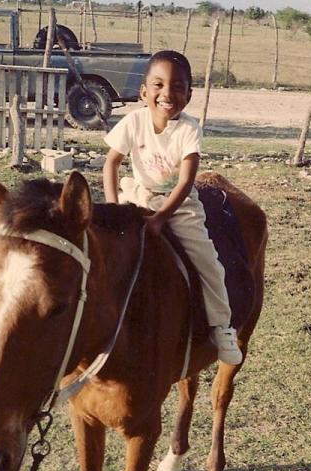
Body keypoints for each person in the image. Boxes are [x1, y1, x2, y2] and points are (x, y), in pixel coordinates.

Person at [102, 50, 242, 365]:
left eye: (178, 87)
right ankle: (100, 313)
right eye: (159, 85)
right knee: (104, 247)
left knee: (207, 260)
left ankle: (222, 326)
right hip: (137, 195)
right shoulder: (133, 121)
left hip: (178, 204)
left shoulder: (189, 130)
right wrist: (113, 209)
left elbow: (185, 182)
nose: (167, 94)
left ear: (189, 95)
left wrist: (161, 219)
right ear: (143, 91)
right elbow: (111, 164)